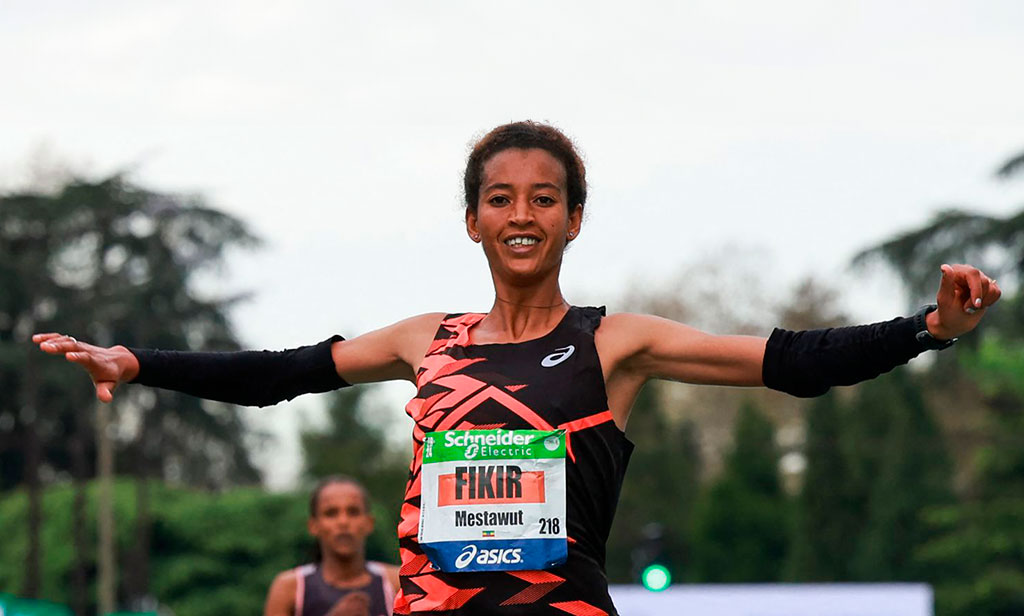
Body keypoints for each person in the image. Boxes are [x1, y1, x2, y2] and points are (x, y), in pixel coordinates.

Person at [35, 121, 1002, 615]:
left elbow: (792, 361)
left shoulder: (614, 343)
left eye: (545, 197)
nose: (523, 214)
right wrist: (138, 360)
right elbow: (280, 371)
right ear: (474, 220)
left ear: (575, 218)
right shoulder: (428, 341)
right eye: (501, 198)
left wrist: (929, 325)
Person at [264, 476, 399, 616]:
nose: (343, 522)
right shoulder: (291, 588)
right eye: (331, 513)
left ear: (369, 523)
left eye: (353, 512)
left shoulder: (395, 583)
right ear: (313, 525)